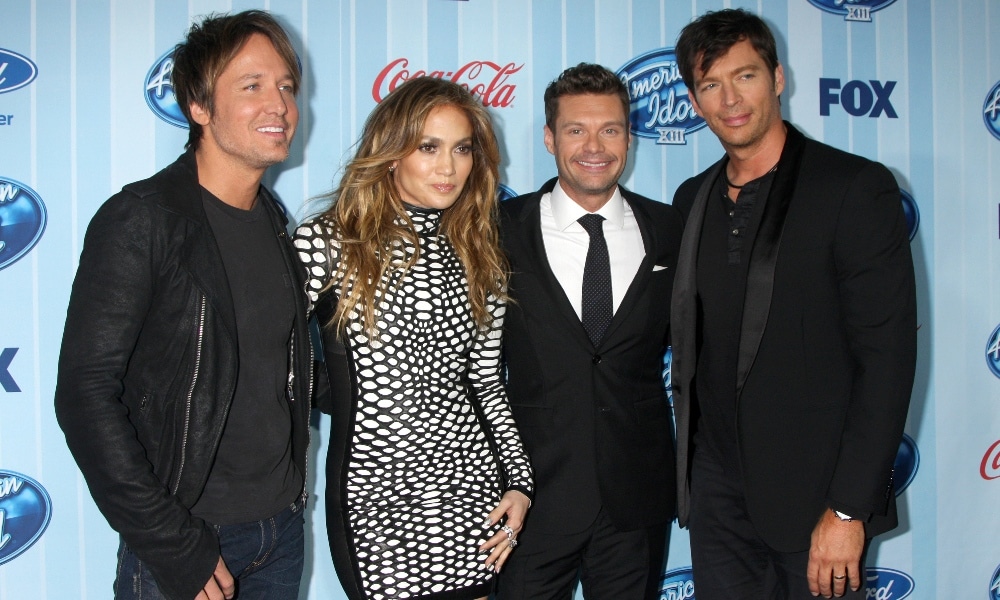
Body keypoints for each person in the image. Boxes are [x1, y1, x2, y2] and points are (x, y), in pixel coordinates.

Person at [54, 10, 311, 600]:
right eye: (251, 86)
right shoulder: (142, 219)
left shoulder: (274, 222)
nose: (279, 104)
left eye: (287, 88)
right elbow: (85, 393)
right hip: (191, 538)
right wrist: (172, 543)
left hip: (281, 532)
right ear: (198, 106)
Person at [670, 8, 917, 599]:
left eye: (745, 76)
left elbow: (887, 360)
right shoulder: (690, 199)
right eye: (711, 85)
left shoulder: (853, 188)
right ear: (695, 101)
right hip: (718, 502)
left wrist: (849, 511)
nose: (730, 99)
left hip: (817, 505)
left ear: (778, 78)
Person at [293, 76, 533, 600]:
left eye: (462, 148)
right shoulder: (329, 242)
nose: (449, 167)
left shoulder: (481, 255)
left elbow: (486, 383)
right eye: (429, 147)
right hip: (372, 499)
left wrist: (518, 482)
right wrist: (335, 393)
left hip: (473, 492)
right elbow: (273, 356)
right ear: (391, 152)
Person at [497, 63, 683, 599]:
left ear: (629, 136)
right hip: (529, 495)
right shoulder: (497, 230)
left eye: (611, 129)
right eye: (576, 130)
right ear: (551, 138)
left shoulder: (671, 229)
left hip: (637, 500)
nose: (594, 146)